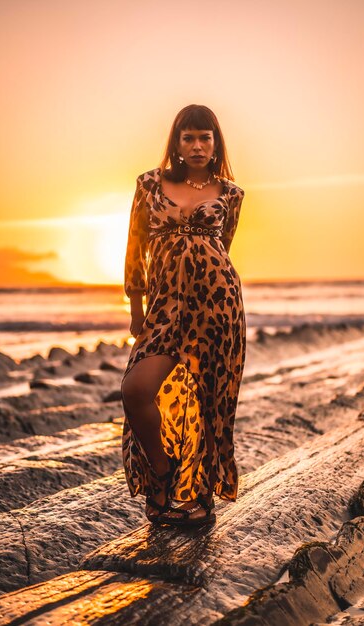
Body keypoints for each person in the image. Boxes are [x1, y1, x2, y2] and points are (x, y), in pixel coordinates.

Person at [120, 104, 246, 527]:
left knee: (210, 401)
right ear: (175, 142)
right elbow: (135, 248)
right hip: (164, 308)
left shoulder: (230, 194)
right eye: (188, 137)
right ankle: (162, 472)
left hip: (216, 307)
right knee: (136, 390)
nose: (196, 145)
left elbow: (221, 249)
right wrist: (137, 309)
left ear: (215, 143)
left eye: (204, 137)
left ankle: (200, 501)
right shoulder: (150, 184)